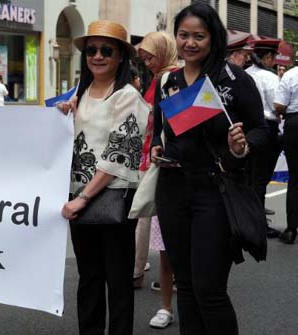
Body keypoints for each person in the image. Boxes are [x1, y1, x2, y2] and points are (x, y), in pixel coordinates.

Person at [151, 4, 267, 334]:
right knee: (184, 286)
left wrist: (243, 146)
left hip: (215, 191)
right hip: (172, 189)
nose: (190, 42)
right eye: (184, 35)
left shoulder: (233, 78)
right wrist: (157, 149)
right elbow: (164, 130)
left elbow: (261, 130)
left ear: (212, 38)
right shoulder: (168, 79)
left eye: (198, 36)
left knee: (209, 290)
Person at [58, 20, 149, 335]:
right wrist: (61, 115)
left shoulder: (128, 97)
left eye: (106, 50)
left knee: (118, 281)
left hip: (111, 199)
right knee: (90, 278)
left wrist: (83, 198)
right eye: (91, 50)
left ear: (121, 56)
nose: (97, 56)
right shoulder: (78, 93)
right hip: (77, 199)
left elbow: (118, 157)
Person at [137, 31, 178, 329]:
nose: (148, 62)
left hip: (178, 167)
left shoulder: (174, 78)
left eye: (150, 56)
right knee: (163, 241)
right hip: (158, 162)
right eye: (144, 58)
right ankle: (166, 305)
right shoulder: (160, 79)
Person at [245, 39, 283, 235]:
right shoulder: (270, 78)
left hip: (246, 129)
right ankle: (259, 224)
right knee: (260, 179)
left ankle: (249, 217)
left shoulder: (244, 74)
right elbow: (277, 106)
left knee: (249, 177)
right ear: (268, 57)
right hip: (266, 128)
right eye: (273, 57)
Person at [274, 63, 298, 244]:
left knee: (295, 179)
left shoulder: (290, 75)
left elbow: (279, 105)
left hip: (294, 123)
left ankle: (291, 229)